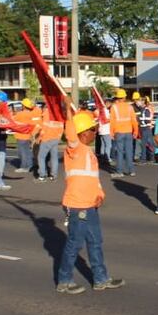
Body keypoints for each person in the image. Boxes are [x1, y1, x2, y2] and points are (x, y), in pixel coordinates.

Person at [55, 109, 124, 295]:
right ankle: (64, 280)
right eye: (93, 129)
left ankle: (100, 279)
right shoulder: (75, 149)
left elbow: (92, 178)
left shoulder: (88, 152)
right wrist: (68, 111)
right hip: (77, 205)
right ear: (84, 132)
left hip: (90, 204)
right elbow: (70, 132)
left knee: (95, 242)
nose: (96, 132)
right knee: (75, 243)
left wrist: (99, 194)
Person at [109, 89, 138, 177]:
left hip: (119, 132)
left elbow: (112, 121)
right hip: (129, 132)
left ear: (117, 97)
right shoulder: (130, 107)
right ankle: (131, 171)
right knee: (129, 151)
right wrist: (136, 131)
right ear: (125, 97)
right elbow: (134, 120)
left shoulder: (114, 107)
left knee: (120, 152)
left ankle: (119, 172)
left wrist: (111, 132)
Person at [13, 99, 41, 173]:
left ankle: (24, 167)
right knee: (27, 152)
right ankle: (29, 165)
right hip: (28, 136)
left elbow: (12, 121)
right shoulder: (32, 114)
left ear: (24, 106)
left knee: (22, 152)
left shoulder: (20, 114)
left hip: (21, 136)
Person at [36, 108, 64, 182]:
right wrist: (59, 137)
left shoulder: (47, 111)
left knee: (41, 157)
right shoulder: (59, 112)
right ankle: (53, 176)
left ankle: (42, 176)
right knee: (54, 157)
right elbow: (61, 126)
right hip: (56, 137)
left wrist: (39, 137)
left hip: (47, 138)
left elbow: (44, 126)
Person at [136, 96, 155, 164]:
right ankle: (146, 158)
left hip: (146, 129)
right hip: (143, 128)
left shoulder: (146, 110)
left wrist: (141, 122)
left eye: (140, 101)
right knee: (144, 144)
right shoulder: (142, 109)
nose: (138, 102)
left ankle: (150, 158)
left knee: (149, 144)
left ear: (144, 102)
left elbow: (147, 120)